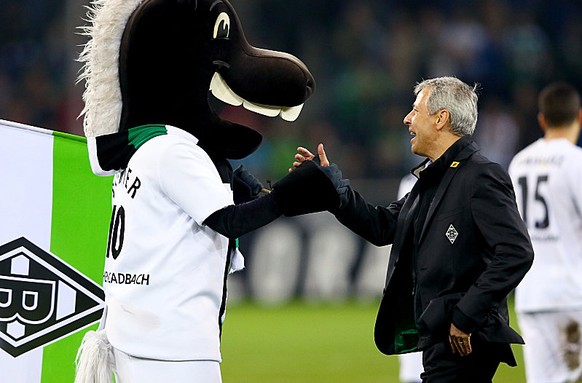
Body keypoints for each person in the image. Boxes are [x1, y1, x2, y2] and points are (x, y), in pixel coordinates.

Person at [293, 76, 534, 382]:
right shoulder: (432, 178)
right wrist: (333, 189)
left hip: (464, 337)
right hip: (439, 332)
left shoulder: (481, 176)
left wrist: (465, 315)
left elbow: (516, 252)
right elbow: (381, 226)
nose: (407, 119)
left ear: (441, 119)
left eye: (416, 110)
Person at [508, 82, 582, 382]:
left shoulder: (519, 163)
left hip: (532, 294)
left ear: (542, 119)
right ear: (579, 117)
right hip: (573, 291)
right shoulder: (575, 161)